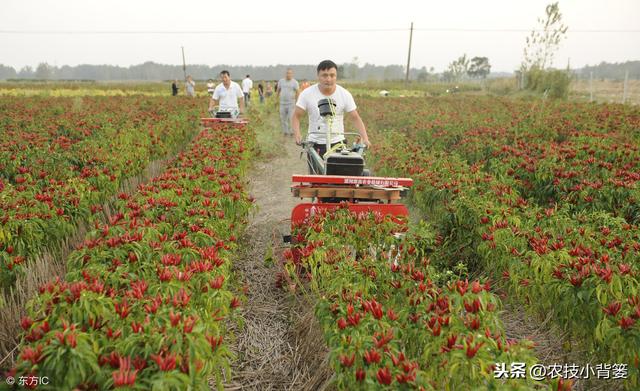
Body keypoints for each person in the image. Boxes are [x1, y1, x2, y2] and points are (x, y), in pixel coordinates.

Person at [292, 59, 371, 159]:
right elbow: (296, 116)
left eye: (332, 75)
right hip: (315, 143)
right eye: (324, 75)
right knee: (316, 173)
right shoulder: (307, 94)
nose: (328, 79)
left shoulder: (344, 94)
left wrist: (365, 138)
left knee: (338, 172)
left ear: (336, 76)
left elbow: (355, 117)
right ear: (318, 76)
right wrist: (297, 134)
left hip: (338, 143)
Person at [276, 68, 299, 136]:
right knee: (283, 118)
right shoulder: (281, 81)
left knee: (291, 118)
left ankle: (292, 132)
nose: (288, 74)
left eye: (290, 73)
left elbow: (298, 92)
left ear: (292, 74)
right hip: (282, 103)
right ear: (285, 74)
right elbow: (278, 90)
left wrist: (297, 101)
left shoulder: (295, 82)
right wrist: (276, 99)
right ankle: (285, 131)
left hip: (291, 104)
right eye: (287, 73)